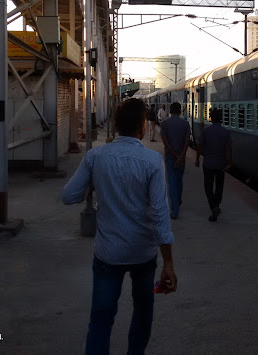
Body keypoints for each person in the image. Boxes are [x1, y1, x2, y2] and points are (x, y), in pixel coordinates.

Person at [61, 97, 178, 355]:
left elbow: (69, 195)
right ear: (143, 127)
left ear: (115, 125)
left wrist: (92, 184)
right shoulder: (152, 161)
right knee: (143, 313)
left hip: (108, 255)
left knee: (101, 321)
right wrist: (168, 264)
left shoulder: (96, 156)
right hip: (142, 254)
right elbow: (160, 214)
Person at [195, 107, 231, 222]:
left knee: (208, 187)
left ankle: (213, 206)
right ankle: (217, 205)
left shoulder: (206, 130)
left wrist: (197, 159)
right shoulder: (225, 132)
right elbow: (228, 149)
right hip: (221, 164)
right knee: (219, 186)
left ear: (211, 118)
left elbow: (200, 146)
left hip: (208, 164)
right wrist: (229, 163)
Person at [160, 102, 191, 219]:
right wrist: (181, 156)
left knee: (171, 182)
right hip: (181, 158)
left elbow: (165, 142)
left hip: (170, 157)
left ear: (170, 111)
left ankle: (175, 210)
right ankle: (178, 199)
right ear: (180, 111)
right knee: (179, 180)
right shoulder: (185, 123)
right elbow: (187, 141)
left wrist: (174, 154)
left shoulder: (164, 124)